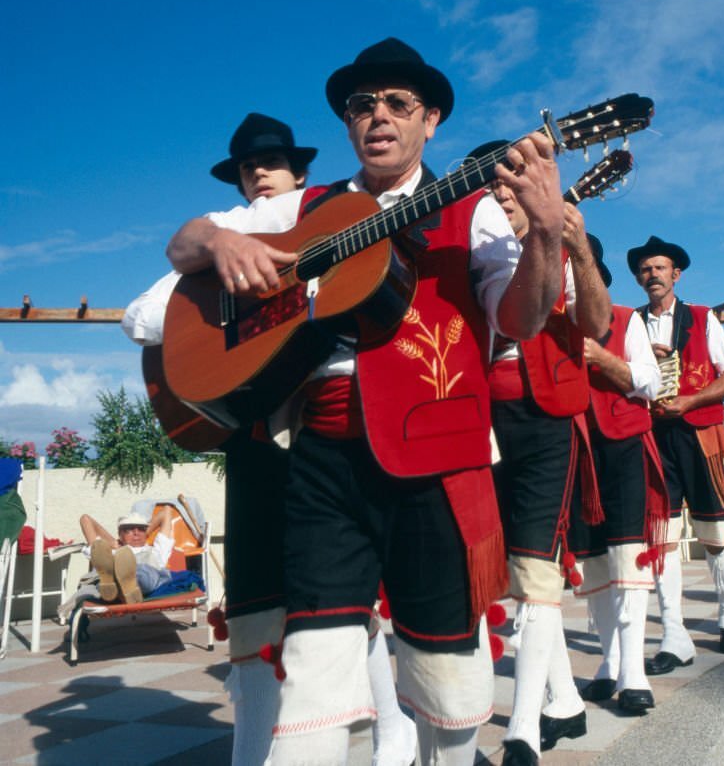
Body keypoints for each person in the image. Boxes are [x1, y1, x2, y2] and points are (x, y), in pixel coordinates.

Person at [165, 38, 566, 766]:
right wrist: (220, 241)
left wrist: (544, 230)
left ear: (431, 120)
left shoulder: (471, 212)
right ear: (348, 123)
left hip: (435, 456)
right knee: (313, 666)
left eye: (396, 104)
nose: (377, 116)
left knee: (443, 672)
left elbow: (522, 319)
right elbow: (182, 243)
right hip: (321, 455)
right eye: (362, 105)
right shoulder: (303, 205)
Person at [123, 113, 378, 766]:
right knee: (259, 608)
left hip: (337, 420)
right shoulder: (229, 225)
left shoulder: (337, 211)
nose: (258, 173)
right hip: (257, 432)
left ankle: (391, 746)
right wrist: (223, 262)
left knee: (353, 603)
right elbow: (144, 317)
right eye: (246, 166)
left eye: (271, 161)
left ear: (300, 171)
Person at [470, 141, 609, 766]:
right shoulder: (470, 250)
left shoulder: (559, 245)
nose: (503, 192)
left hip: (547, 417)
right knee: (479, 574)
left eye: (513, 182)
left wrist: (575, 244)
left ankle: (523, 727)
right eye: (493, 185)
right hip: (474, 418)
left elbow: (598, 326)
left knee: (535, 571)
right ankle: (561, 703)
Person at [627, 235, 724, 672]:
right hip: (653, 436)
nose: (652, 274)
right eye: (645, 269)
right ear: (638, 279)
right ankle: (674, 633)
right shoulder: (631, 324)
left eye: (659, 268)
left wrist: (691, 401)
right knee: (662, 537)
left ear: (675, 274)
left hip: (700, 433)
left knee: (715, 532)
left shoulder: (702, 318)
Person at [569, 237, 667, 721]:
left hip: (622, 445)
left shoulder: (626, 320)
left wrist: (601, 358)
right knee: (591, 562)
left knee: (628, 557)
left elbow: (651, 382)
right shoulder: (540, 320)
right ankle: (609, 659)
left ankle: (635, 673)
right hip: (571, 451)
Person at [79, 507, 174, 603]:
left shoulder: (156, 550)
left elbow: (166, 511)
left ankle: (122, 586)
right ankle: (119, 586)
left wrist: (145, 533)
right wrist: (113, 542)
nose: (136, 533)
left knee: (144, 572)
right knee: (105, 567)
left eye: (141, 529)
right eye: (129, 530)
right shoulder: (109, 552)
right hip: (114, 573)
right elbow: (85, 519)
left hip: (143, 576)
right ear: (120, 534)